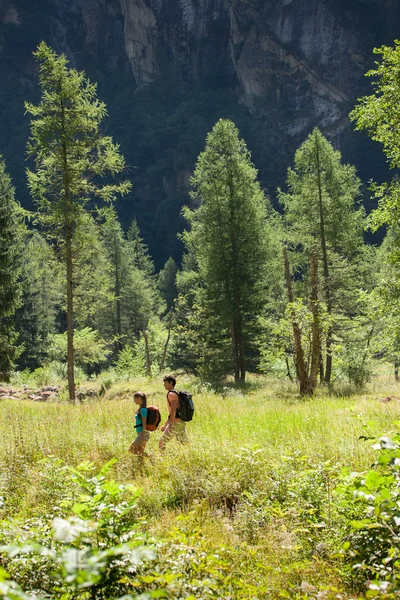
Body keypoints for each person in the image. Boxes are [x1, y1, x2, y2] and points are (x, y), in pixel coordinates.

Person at [159, 375, 189, 451]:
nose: (164, 385)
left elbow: (173, 410)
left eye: (165, 383)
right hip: (180, 421)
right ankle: (191, 455)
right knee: (185, 443)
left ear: (171, 383)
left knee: (161, 442)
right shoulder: (175, 393)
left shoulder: (171, 394)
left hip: (175, 423)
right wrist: (166, 424)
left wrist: (170, 425)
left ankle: (162, 459)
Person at [129, 391, 151, 457]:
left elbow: (144, 424)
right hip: (140, 434)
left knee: (131, 449)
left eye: (134, 398)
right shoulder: (141, 409)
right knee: (140, 453)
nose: (134, 400)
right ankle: (150, 457)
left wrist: (142, 437)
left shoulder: (143, 410)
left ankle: (151, 456)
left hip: (143, 434)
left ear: (139, 398)